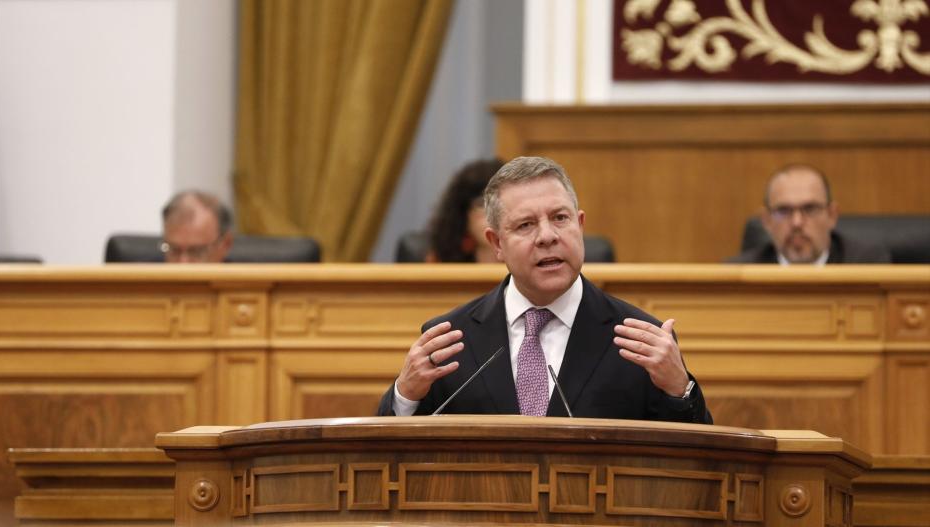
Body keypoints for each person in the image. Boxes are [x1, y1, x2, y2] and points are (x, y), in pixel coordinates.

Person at [378, 156, 711, 423]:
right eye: (526, 225)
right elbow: (392, 456)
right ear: (496, 243)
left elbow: (697, 466)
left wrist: (679, 390)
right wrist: (406, 395)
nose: (547, 236)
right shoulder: (450, 339)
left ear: (579, 225)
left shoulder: (641, 340)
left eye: (560, 218)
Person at [729, 164, 891, 265]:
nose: (797, 222)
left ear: (832, 215)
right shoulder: (740, 273)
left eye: (810, 209)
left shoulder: (867, 267)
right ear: (766, 220)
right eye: (784, 211)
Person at [426, 158, 505, 263]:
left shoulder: (528, 261)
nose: (492, 213)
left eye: (499, 202)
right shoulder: (442, 261)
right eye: (481, 204)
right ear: (463, 214)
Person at [160, 190, 233, 263]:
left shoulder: (243, 273)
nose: (183, 263)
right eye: (174, 250)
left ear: (225, 244)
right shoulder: (149, 271)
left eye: (196, 251)